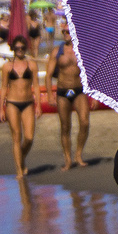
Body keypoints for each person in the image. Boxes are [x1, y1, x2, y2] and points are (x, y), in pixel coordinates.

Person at [45, 27, 90, 169]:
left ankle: (78, 155)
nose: (65, 34)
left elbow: (89, 72)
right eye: (63, 32)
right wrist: (49, 95)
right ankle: (68, 159)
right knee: (65, 126)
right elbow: (48, 75)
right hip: (63, 92)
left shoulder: (81, 50)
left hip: (78, 90)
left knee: (84, 122)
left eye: (67, 31)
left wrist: (94, 95)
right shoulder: (57, 52)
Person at [0, 36, 37, 176]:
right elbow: (4, 87)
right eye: (17, 48)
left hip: (28, 103)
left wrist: (38, 105)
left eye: (22, 48)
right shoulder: (7, 66)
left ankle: (20, 158)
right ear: (13, 49)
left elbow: (36, 87)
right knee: (16, 136)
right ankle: (19, 170)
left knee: (29, 138)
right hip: (12, 103)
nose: (20, 50)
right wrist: (0, 109)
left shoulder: (32, 64)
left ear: (25, 48)